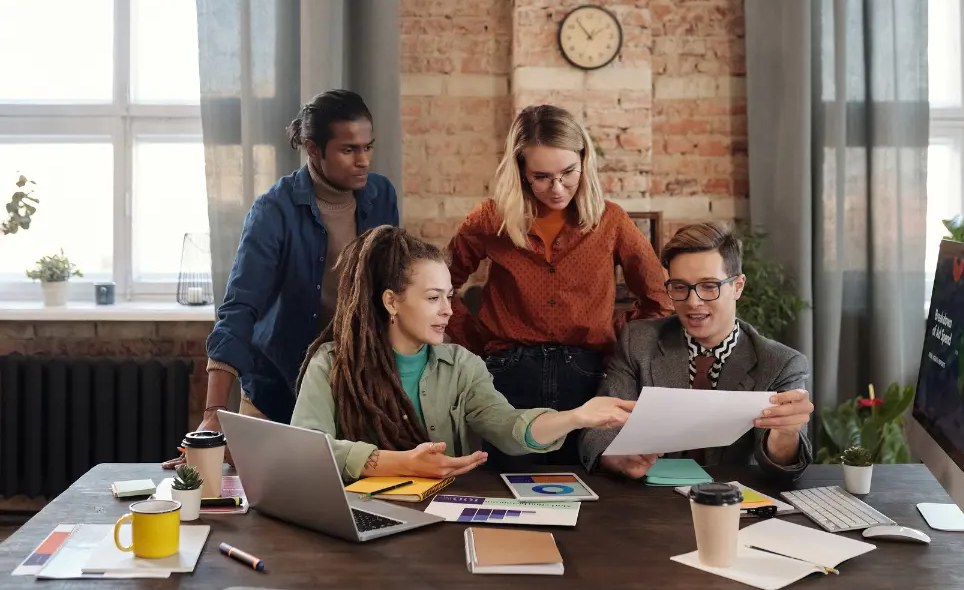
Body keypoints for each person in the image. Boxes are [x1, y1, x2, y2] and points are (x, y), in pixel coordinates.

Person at [163, 89, 398, 469]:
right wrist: (212, 414)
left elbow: (391, 291)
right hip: (277, 391)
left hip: (354, 394)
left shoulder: (382, 195)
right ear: (312, 149)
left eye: (368, 147)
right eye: (349, 150)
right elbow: (240, 308)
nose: (364, 161)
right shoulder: (273, 210)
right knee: (263, 515)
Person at [291, 226, 635, 480]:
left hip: (444, 523)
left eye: (449, 296)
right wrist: (398, 463)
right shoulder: (331, 364)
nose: (448, 310)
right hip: (358, 519)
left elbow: (508, 426)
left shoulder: (462, 366)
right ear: (391, 301)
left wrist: (577, 416)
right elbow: (305, 450)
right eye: (432, 298)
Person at [445, 105, 671, 469]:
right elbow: (440, 287)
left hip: (585, 375)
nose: (557, 187)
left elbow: (659, 298)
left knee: (589, 488)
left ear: (585, 160)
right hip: (507, 376)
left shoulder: (611, 221)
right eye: (542, 176)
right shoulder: (490, 220)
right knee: (507, 486)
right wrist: (477, 341)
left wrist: (614, 332)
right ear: (520, 171)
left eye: (568, 173)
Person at [578, 222, 815, 482]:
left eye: (709, 286)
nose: (693, 302)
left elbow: (781, 469)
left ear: (737, 286)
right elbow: (596, 429)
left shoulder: (781, 363)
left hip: (733, 505)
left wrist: (786, 434)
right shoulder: (639, 341)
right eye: (679, 287)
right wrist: (616, 457)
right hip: (649, 503)